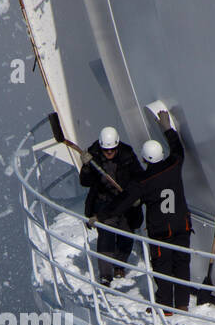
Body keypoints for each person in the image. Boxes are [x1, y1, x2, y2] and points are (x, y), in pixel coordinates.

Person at [98, 107, 192, 311]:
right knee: (182, 263)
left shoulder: (143, 181)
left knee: (162, 266)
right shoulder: (174, 165)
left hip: (161, 231)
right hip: (182, 225)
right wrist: (168, 129)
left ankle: (165, 305)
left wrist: (101, 216)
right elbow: (178, 150)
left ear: (145, 159)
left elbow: (123, 201)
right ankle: (183, 303)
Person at [79, 126, 143, 285]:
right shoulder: (93, 156)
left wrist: (136, 195)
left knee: (127, 233)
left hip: (125, 201)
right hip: (104, 203)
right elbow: (84, 182)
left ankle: (119, 265)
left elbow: (140, 177)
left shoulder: (127, 155)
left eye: (112, 150)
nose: (109, 153)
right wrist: (86, 167)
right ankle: (105, 274)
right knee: (106, 235)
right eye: (106, 151)